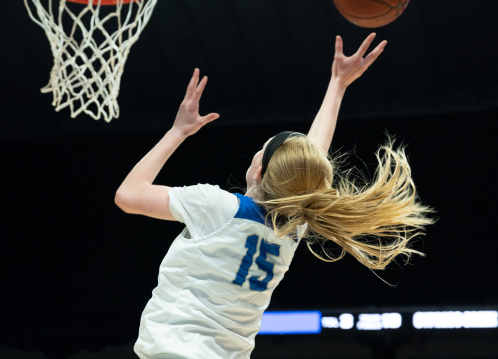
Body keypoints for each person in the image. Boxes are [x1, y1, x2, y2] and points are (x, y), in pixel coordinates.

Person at [115, 33, 434, 359]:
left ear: (258, 173)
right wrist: (337, 85)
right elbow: (308, 167)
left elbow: (128, 195)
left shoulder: (217, 206)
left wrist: (177, 132)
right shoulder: (291, 229)